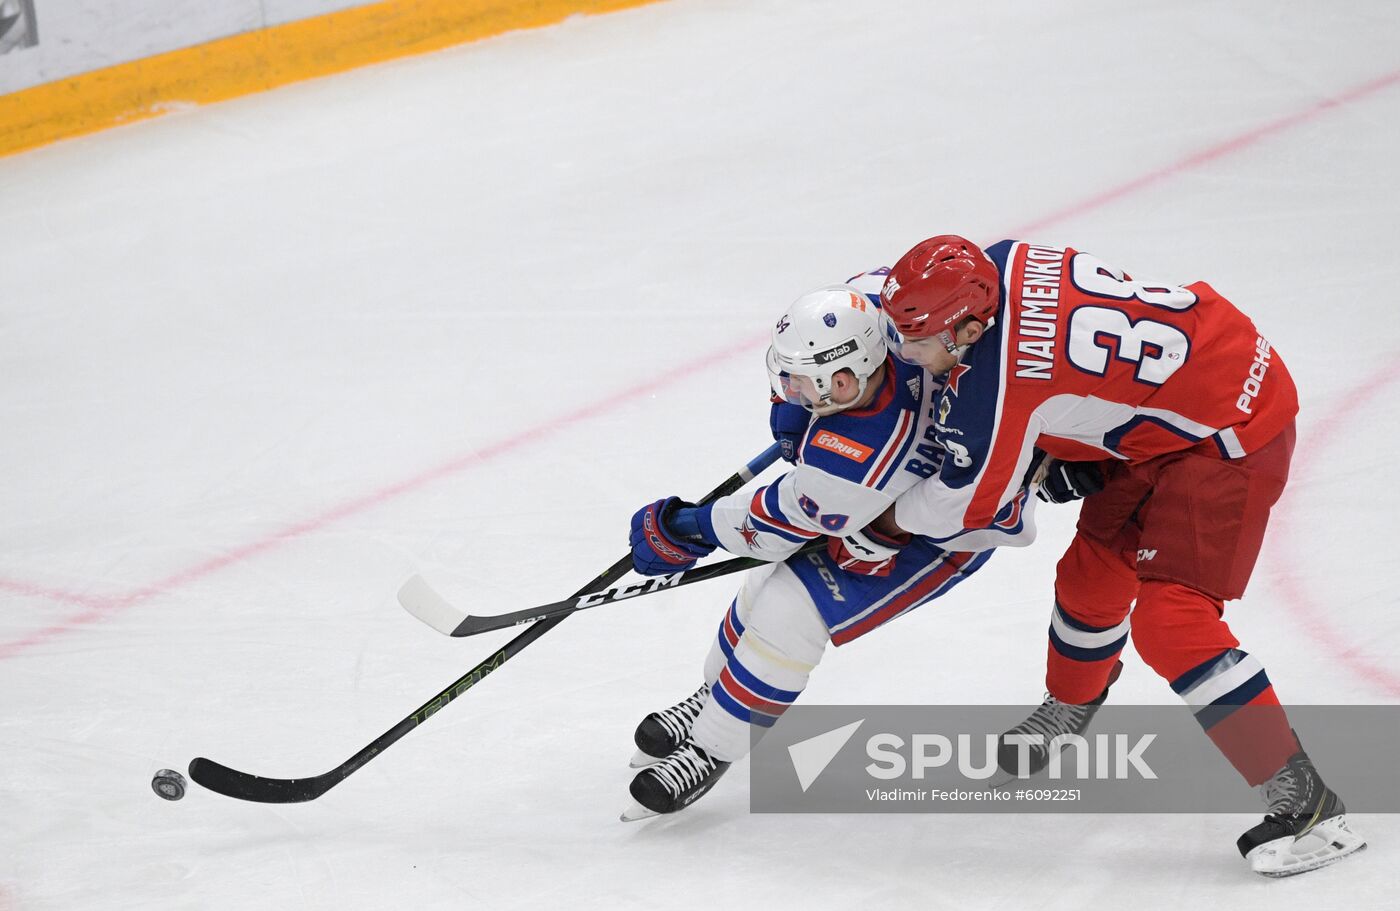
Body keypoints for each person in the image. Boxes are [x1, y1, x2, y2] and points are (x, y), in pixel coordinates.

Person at [872, 234, 1365, 876]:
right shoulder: (996, 260)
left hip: (1234, 432)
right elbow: (1081, 368)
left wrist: (876, 521)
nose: (906, 355)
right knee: (1089, 576)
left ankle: (1309, 800)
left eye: (919, 342)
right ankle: (1073, 705)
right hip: (1189, 392)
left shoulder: (997, 377)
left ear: (968, 325)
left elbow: (964, 508)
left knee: (1173, 623)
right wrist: (1073, 447)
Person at [621, 276, 1046, 821]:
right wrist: (792, 410)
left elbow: (773, 523)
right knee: (761, 589)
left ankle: (712, 746)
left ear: (842, 384)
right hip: (902, 491)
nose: (790, 388)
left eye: (800, 383)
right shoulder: (883, 320)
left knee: (789, 611)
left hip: (943, 532)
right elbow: (861, 289)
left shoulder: (855, 459)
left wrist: (687, 528)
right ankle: (716, 695)